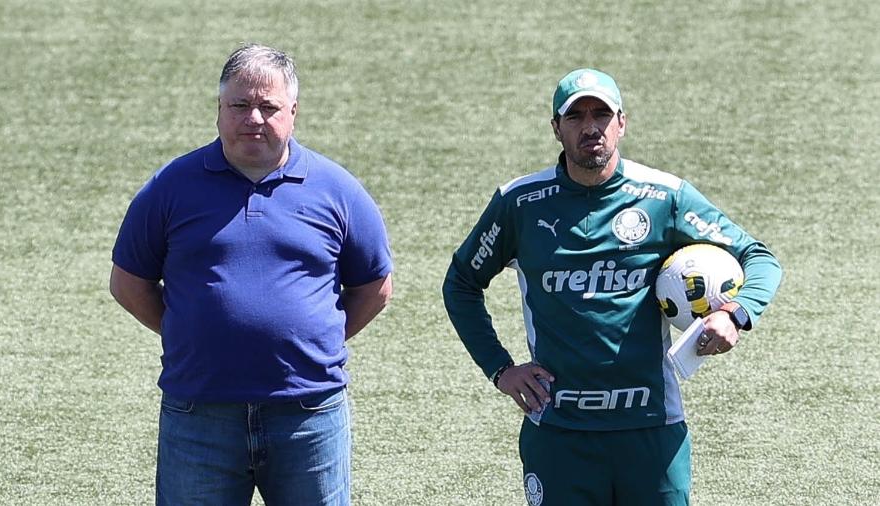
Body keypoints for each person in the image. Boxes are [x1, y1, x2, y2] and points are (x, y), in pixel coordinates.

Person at [442, 68, 781, 505]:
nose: (590, 127)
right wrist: (501, 369)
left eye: (601, 114)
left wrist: (734, 312)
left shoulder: (665, 198)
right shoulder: (519, 203)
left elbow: (759, 258)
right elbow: (461, 284)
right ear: (555, 128)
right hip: (560, 436)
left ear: (622, 122)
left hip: (652, 433)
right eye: (575, 116)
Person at [110, 44, 393, 505]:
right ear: (219, 109)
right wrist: (187, 330)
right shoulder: (170, 187)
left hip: (308, 415)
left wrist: (314, 342)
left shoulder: (337, 189)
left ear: (294, 112)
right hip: (200, 413)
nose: (253, 118)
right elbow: (128, 282)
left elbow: (375, 287)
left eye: (269, 106)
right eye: (239, 105)